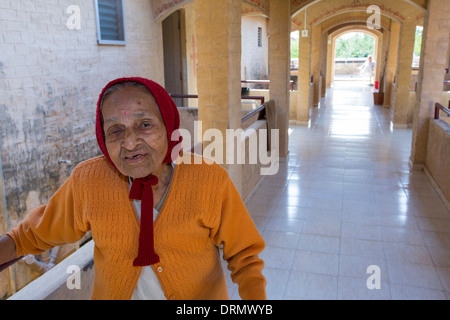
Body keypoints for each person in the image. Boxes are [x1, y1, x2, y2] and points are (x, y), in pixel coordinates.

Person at [0, 77, 267, 300]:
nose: (129, 142)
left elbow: (244, 256)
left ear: (168, 125)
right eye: (115, 130)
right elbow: (30, 236)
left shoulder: (209, 180)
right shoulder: (89, 181)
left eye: (145, 124)